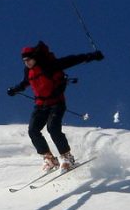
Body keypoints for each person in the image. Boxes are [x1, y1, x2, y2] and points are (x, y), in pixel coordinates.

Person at [6, 41, 104, 171]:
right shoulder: (28, 71)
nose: (27, 62)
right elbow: (25, 82)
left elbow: (71, 60)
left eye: (29, 59)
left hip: (56, 103)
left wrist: (91, 56)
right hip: (40, 105)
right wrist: (15, 89)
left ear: (35, 57)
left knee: (52, 128)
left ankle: (67, 157)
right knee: (33, 130)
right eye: (24, 60)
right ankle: (49, 159)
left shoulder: (48, 65)